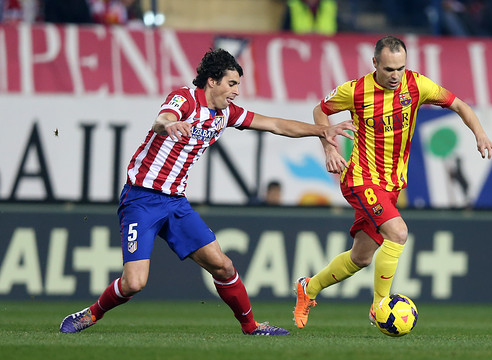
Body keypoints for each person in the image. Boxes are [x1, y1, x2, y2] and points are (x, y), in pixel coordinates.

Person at [59, 48, 356, 335]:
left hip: (176, 203)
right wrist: (171, 124)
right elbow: (161, 120)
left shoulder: (226, 114)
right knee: (134, 283)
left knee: (223, 266)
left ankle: (251, 327)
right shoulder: (184, 99)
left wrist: (322, 131)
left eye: (238, 84)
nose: (236, 91)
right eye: (232, 83)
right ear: (212, 81)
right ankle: (92, 313)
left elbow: (276, 124)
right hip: (141, 199)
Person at [293, 35, 492, 329]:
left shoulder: (417, 85)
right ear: (375, 63)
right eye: (389, 69)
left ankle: (308, 288)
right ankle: (380, 306)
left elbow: (460, 105)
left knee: (361, 258)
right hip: (361, 179)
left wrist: (480, 133)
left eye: (400, 68)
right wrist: (329, 147)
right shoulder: (355, 90)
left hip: (391, 185)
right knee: (398, 233)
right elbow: (320, 110)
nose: (395, 75)